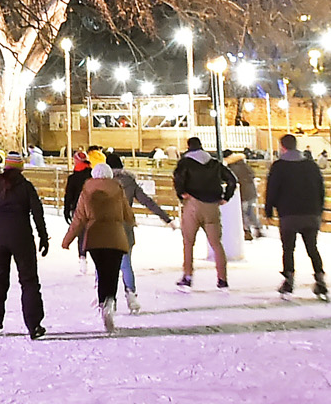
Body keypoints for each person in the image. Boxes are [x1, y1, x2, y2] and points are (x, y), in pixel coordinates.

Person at [0, 150, 49, 338]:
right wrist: (43, 236)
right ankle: (34, 325)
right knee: (29, 280)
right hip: (21, 236)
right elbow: (37, 212)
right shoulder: (26, 186)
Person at [62, 159, 132, 333]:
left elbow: (78, 218)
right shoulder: (118, 189)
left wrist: (67, 240)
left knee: (101, 271)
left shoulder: (86, 191)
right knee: (113, 272)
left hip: (94, 238)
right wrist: (131, 221)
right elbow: (127, 214)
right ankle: (110, 301)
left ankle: (103, 303)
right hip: (115, 236)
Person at [264, 134, 329, 300]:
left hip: (289, 214)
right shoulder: (311, 165)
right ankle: (320, 278)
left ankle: (289, 279)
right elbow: (321, 188)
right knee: (312, 248)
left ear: (282, 146)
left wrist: (269, 210)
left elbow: (272, 189)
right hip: (311, 213)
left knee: (288, 249)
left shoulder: (278, 166)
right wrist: (320, 209)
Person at [103, 150, 168, 315]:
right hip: (125, 228)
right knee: (126, 264)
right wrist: (165, 217)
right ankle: (131, 295)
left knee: (104, 266)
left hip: (106, 229)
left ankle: (107, 299)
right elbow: (147, 201)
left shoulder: (103, 183)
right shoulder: (129, 183)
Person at [172, 137, 235, 289]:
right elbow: (231, 180)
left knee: (188, 242)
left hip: (192, 204)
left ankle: (187, 276)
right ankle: (222, 279)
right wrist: (226, 197)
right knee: (216, 244)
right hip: (212, 205)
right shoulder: (214, 163)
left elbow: (178, 178)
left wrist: (181, 193)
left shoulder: (185, 162)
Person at [228, 152, 263, 242]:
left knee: (242, 213)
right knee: (250, 211)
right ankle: (258, 227)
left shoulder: (232, 168)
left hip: (243, 194)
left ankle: (247, 231)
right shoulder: (245, 166)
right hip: (251, 193)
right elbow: (252, 175)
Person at [61, 149, 94, 228]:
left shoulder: (73, 178)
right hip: (93, 209)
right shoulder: (93, 175)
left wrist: (67, 210)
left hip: (78, 209)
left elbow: (69, 195)